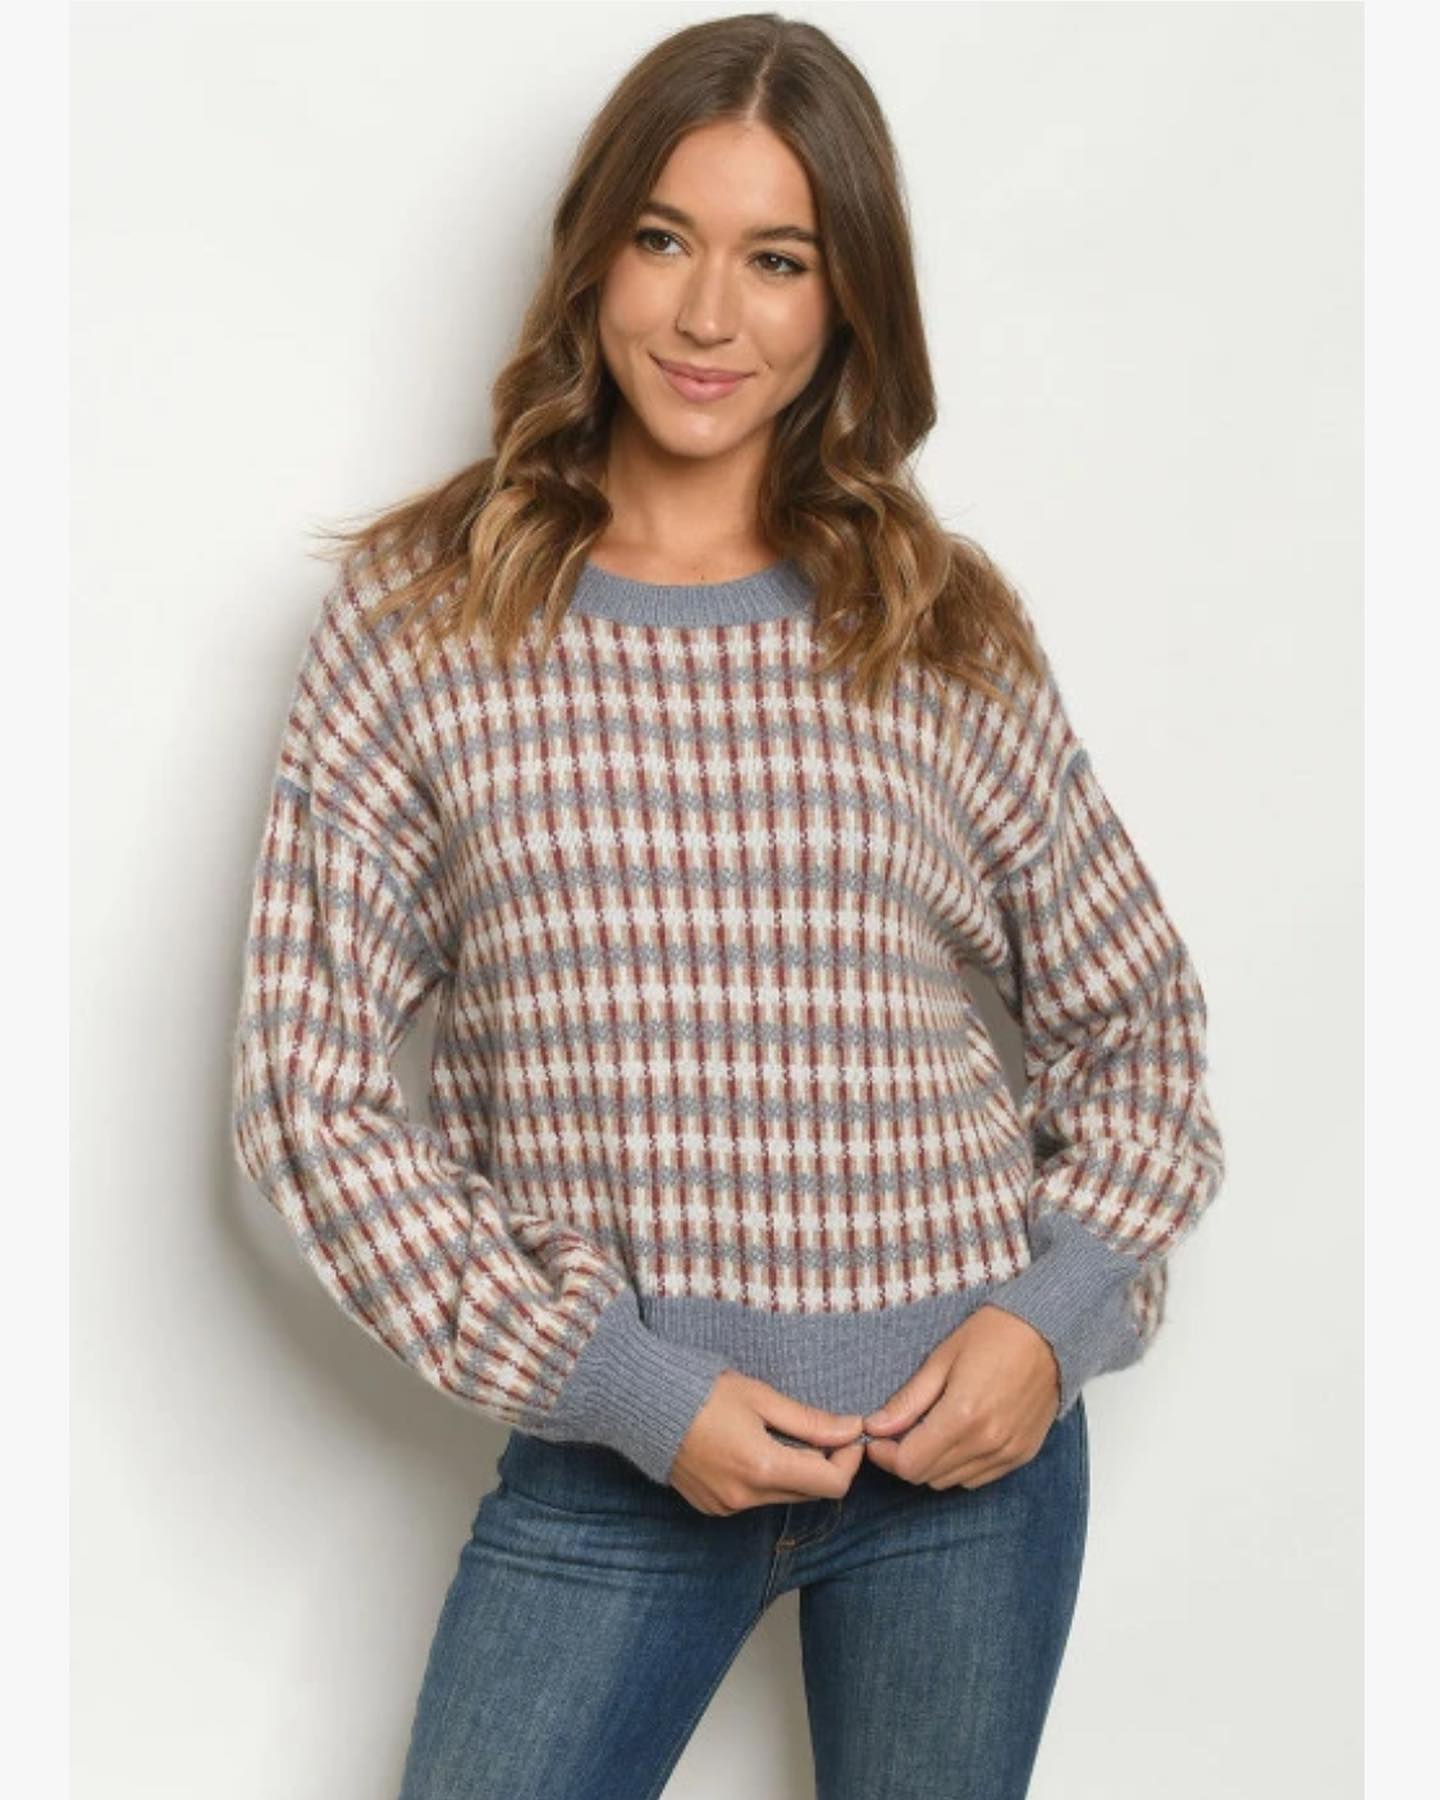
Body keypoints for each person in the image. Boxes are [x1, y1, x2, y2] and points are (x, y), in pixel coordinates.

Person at [229, 13, 1226, 1798]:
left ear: (847, 300)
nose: (709, 316)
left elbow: (1137, 1022)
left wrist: (1047, 1316)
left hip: (969, 1469)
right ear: (594, 253)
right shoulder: (422, 623)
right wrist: (620, 1386)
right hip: (620, 1457)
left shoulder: (935, 623)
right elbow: (305, 1100)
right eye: (665, 237)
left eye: (779, 259)